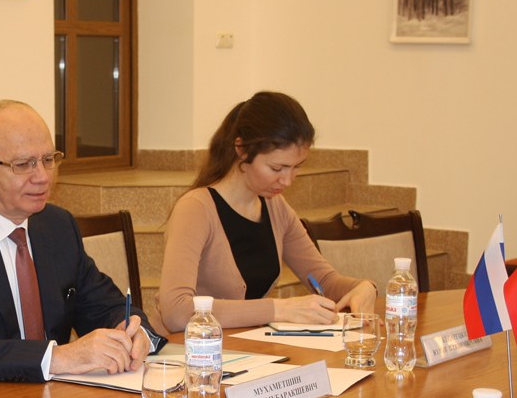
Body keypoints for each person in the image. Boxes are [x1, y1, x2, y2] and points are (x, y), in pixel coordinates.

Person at [0, 99, 165, 386]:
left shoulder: (57, 225)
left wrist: (136, 334)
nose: (43, 177)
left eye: (48, 160)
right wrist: (54, 358)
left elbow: (106, 307)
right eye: (24, 164)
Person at [153, 91, 376, 334]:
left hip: (243, 346)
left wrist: (365, 287)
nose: (287, 180)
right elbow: (176, 311)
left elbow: (324, 281)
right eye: (277, 168)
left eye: (296, 167)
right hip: (187, 349)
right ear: (242, 149)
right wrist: (279, 309)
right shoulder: (195, 209)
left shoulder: (275, 207)